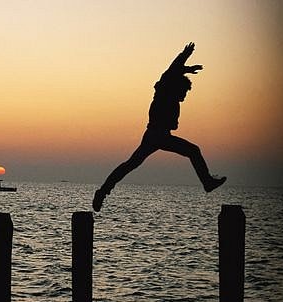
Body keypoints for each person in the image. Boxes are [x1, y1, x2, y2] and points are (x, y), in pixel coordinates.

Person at [93, 42, 226, 212]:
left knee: (130, 164)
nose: (184, 96)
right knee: (193, 151)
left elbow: (175, 73)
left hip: (154, 135)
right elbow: (171, 71)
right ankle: (207, 182)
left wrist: (186, 70)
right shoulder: (164, 90)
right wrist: (185, 55)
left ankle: (102, 192)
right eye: (184, 92)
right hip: (158, 135)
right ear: (176, 88)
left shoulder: (170, 94)